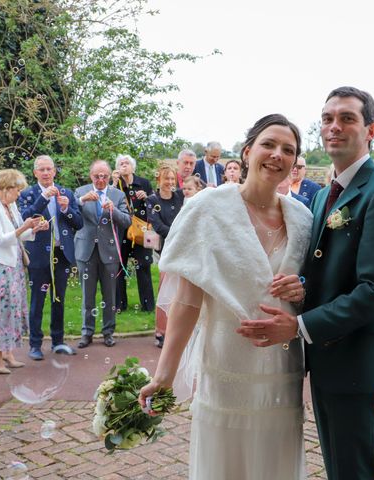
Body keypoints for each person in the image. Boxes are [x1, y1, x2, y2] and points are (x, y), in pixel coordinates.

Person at [237, 87, 374, 480]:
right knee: (339, 469)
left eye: (347, 119)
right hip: (329, 360)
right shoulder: (323, 196)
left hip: (359, 360)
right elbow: (329, 270)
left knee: (356, 471)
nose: (334, 127)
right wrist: (301, 284)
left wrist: (299, 326)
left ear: (371, 129)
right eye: (327, 118)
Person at [139, 113, 312, 479]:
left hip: (281, 369)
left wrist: (304, 289)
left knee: (274, 461)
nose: (277, 154)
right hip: (225, 363)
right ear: (248, 152)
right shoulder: (208, 208)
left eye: (288, 150)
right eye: (268, 144)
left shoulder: (303, 219)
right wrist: (165, 374)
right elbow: (187, 300)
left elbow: (311, 289)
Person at [18, 155, 83, 360]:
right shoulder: (28, 193)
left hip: (61, 254)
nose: (46, 173)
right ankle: (35, 345)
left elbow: (79, 223)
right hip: (38, 255)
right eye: (41, 169)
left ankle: (58, 341)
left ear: (54, 171)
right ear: (35, 173)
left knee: (59, 299)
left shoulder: (66, 193)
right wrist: (44, 198)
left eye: (49, 169)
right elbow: (24, 216)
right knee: (38, 300)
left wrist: (66, 208)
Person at [0, 169, 46, 374]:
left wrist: (34, 229)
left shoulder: (10, 205)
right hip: (1, 265)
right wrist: (22, 229)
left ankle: (8, 352)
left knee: (16, 309)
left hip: (16, 262)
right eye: (17, 190)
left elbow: (20, 234)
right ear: (6, 188)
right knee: (5, 311)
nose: (19, 194)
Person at [74, 160, 131, 348]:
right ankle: (86, 332)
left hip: (109, 251)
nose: (100, 180)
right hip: (86, 251)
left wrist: (113, 210)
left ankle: (108, 332)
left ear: (109, 176)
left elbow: (127, 221)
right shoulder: (80, 192)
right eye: (97, 176)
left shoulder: (118, 194)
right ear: (91, 176)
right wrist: (82, 201)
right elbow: (70, 214)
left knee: (110, 296)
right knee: (87, 295)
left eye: (104, 176)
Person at [146, 163, 184, 348]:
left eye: (172, 178)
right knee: (164, 291)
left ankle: (176, 330)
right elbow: (157, 226)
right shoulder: (152, 200)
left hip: (182, 250)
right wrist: (179, 234)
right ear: (158, 180)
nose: (169, 182)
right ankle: (160, 331)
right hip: (165, 251)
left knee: (180, 292)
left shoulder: (180, 197)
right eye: (166, 178)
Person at [114, 154, 155, 312]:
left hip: (143, 231)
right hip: (122, 231)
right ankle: (119, 305)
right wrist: (113, 182)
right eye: (121, 163)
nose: (124, 165)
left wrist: (147, 197)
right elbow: (109, 201)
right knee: (119, 267)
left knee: (144, 266)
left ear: (133, 167)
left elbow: (154, 204)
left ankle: (148, 305)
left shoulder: (143, 183)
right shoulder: (116, 185)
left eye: (127, 163)